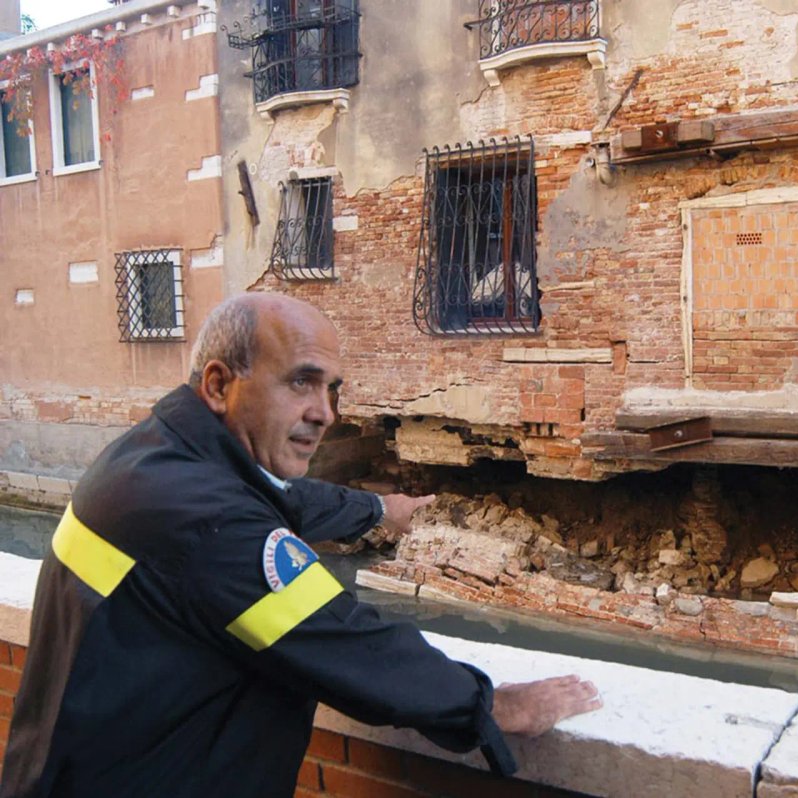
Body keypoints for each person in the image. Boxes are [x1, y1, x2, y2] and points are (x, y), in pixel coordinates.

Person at [0, 293, 601, 798]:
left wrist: (381, 510)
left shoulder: (157, 455)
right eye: (301, 383)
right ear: (219, 384)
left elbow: (284, 498)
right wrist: (491, 709)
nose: (326, 412)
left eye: (332, 389)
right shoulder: (204, 520)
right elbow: (346, 643)